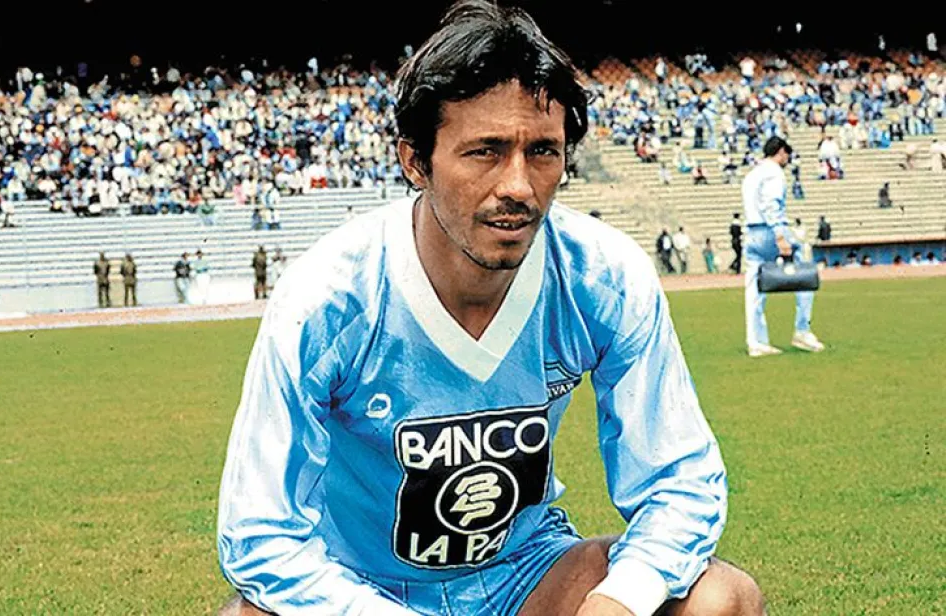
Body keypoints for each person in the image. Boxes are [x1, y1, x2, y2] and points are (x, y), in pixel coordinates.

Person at [216, 3, 764, 616]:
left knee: (721, 598)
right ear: (415, 160)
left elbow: (680, 481)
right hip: (360, 587)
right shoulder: (329, 299)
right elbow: (260, 533)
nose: (519, 186)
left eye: (543, 152)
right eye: (485, 151)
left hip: (523, 575)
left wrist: (620, 599)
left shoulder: (601, 279)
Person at [741, 136, 825, 357]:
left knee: (753, 287)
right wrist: (780, 235)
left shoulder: (752, 174)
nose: (787, 158)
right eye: (786, 153)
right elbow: (771, 204)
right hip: (770, 231)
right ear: (780, 152)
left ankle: (756, 341)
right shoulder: (774, 173)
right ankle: (802, 329)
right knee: (805, 269)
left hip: (752, 232)